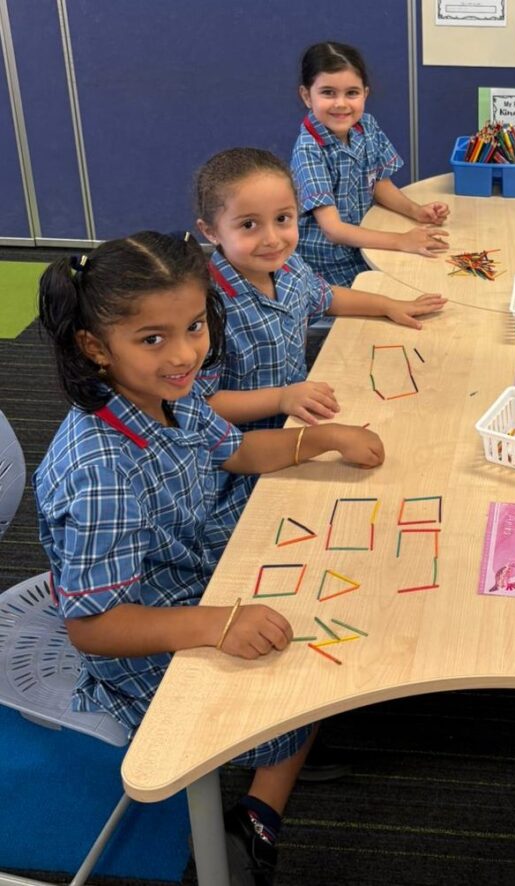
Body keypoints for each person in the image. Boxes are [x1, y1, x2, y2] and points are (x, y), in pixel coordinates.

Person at [34, 231, 385, 886]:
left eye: (194, 326)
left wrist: (321, 440)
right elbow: (94, 627)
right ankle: (256, 816)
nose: (184, 353)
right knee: (299, 681)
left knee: (333, 589)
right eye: (153, 338)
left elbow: (239, 451)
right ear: (95, 347)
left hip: (193, 565)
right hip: (143, 625)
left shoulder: (172, 395)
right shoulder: (101, 468)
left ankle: (282, 749)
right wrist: (217, 624)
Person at [194, 146, 446, 431]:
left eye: (282, 219)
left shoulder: (289, 267)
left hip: (297, 418)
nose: (272, 239)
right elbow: (199, 405)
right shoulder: (205, 309)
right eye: (249, 224)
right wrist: (280, 399)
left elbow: (325, 297)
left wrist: (388, 305)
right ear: (211, 232)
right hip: (246, 444)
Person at [290, 41, 450, 286]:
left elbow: (378, 184)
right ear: (306, 96)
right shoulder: (308, 150)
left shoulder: (367, 126)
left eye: (351, 93)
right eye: (328, 92)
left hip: (365, 247)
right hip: (327, 268)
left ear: (365, 93)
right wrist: (401, 241)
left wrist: (416, 211)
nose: (341, 103)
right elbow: (333, 230)